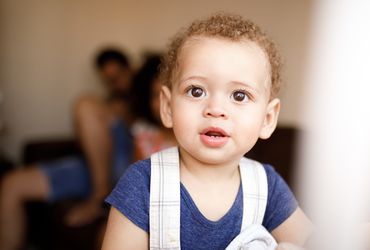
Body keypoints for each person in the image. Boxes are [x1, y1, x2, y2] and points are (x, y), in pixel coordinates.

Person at [102, 13, 314, 249]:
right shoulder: (143, 184)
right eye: (196, 91)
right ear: (168, 107)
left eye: (239, 95)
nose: (215, 109)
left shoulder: (267, 186)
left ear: (267, 118)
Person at [0, 48, 134, 250]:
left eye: (118, 77)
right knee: (12, 184)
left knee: (85, 104)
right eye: (109, 80)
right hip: (95, 166)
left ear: (130, 69)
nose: (115, 84)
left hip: (127, 163)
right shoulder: (107, 103)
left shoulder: (146, 94)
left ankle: (99, 197)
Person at [130, 54, 176, 160]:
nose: (165, 103)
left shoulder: (200, 136)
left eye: (171, 93)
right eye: (156, 95)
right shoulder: (144, 138)